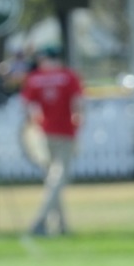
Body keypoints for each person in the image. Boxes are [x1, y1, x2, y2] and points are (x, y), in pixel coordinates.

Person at [19, 45, 84, 237]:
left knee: (53, 180)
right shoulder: (69, 76)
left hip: (43, 133)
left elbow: (27, 107)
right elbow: (78, 105)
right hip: (65, 132)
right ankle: (40, 220)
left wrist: (31, 128)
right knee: (58, 179)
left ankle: (59, 225)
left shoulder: (34, 79)